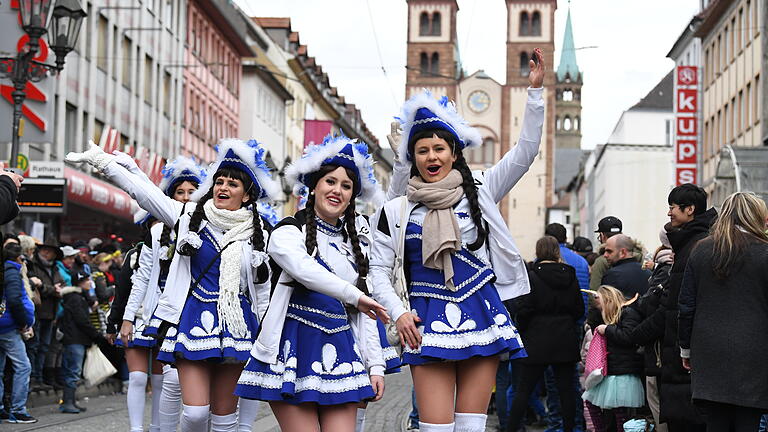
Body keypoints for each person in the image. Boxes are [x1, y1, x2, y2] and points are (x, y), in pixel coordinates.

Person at [369, 48, 544, 432]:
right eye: (422, 151)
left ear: (453, 153)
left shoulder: (480, 189)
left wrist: (534, 95)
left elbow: (526, 153)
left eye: (439, 149)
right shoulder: (397, 209)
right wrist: (398, 313)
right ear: (413, 158)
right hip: (425, 320)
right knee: (434, 428)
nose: (431, 156)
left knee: (470, 427)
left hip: (481, 312)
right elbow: (377, 271)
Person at [68, 138, 278, 432]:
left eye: (232, 184)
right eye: (219, 182)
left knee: (224, 419)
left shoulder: (259, 235)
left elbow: (262, 293)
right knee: (193, 414)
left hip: (237, 327)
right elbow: (145, 195)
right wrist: (104, 163)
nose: (223, 188)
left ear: (246, 195)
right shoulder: (189, 217)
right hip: (191, 323)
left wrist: (269, 336)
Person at [235, 133, 388, 432]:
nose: (337, 191)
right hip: (293, 349)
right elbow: (305, 270)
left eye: (346, 186)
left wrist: (376, 365)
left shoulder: (356, 244)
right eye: (330, 182)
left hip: (342, 349)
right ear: (314, 186)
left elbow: (365, 312)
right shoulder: (286, 233)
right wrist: (353, 295)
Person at [118, 156, 205, 432]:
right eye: (180, 192)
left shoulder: (206, 229)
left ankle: (159, 427)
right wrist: (128, 316)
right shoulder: (156, 233)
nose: (185, 197)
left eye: (192, 192)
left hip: (184, 314)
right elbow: (141, 278)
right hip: (151, 312)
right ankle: (136, 429)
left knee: (168, 380)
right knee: (138, 379)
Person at [678, 192, 768, 431]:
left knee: (715, 422)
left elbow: (686, 305)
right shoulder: (764, 253)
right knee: (748, 422)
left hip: (708, 351)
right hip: (755, 353)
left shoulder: (701, 250)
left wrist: (685, 349)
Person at [507, 236, 583, 432]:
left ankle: (512, 428)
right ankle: (569, 428)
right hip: (564, 338)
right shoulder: (570, 275)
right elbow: (578, 309)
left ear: (538, 251)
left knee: (523, 390)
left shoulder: (532, 275)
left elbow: (524, 309)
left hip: (537, 338)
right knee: (566, 391)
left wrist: (523, 330)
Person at [583, 285, 644, 432]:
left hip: (622, 371)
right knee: (594, 403)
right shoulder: (614, 315)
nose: (601, 310)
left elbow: (629, 337)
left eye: (602, 306)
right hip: (613, 369)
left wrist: (608, 329)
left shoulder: (628, 313)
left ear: (609, 301)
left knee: (619, 411)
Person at [58, 270, 105, 413]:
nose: (90, 283)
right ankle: (67, 403)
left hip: (75, 339)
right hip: (75, 339)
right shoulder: (75, 299)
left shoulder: (77, 297)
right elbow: (82, 321)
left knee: (72, 371)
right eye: (86, 281)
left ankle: (70, 401)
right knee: (73, 372)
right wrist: (96, 335)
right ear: (80, 283)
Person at [0, 242, 37, 423]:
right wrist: (23, 323)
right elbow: (15, 300)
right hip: (8, 327)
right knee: (23, 367)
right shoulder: (12, 271)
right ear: (18, 257)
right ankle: (18, 410)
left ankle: (1, 409)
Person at [26, 242, 64, 388]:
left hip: (50, 313)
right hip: (37, 311)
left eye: (50, 251)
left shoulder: (54, 267)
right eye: (45, 250)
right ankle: (33, 377)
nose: (47, 253)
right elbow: (34, 285)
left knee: (45, 346)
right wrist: (51, 290)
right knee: (34, 346)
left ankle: (39, 377)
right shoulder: (32, 265)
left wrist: (53, 289)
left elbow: (62, 285)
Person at [600, 234, 650, 299]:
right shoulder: (648, 273)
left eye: (609, 251)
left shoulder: (612, 275)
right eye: (605, 251)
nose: (605, 255)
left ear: (623, 252)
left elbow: (608, 305)